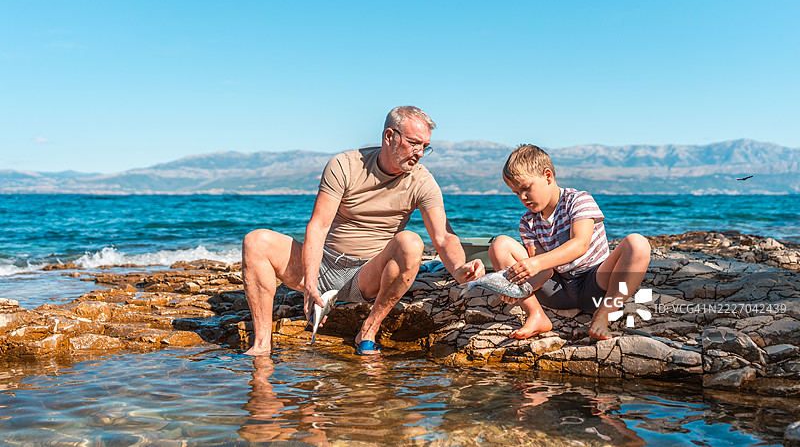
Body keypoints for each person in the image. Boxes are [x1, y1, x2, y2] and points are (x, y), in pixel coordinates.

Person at [241, 106, 485, 356]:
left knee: (411, 242)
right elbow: (319, 225)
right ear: (389, 136)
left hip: (367, 276)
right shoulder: (345, 165)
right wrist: (311, 284)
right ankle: (261, 345)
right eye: (414, 143)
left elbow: (443, 236)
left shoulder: (422, 181)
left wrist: (458, 268)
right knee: (256, 241)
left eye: (425, 146)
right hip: (323, 265)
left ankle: (368, 330)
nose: (420, 153)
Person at [488, 144, 651, 340]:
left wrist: (535, 263)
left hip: (595, 285)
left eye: (526, 188)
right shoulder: (528, 221)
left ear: (548, 176)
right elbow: (544, 271)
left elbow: (580, 244)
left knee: (637, 243)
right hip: (558, 291)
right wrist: (517, 289)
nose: (522, 197)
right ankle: (536, 315)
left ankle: (603, 315)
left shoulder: (578, 200)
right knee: (500, 244)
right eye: (517, 193)